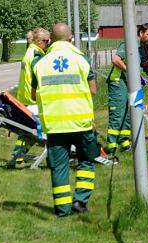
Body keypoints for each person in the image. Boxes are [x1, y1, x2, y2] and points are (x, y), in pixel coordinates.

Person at [32, 23, 99, 217]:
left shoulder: (41, 63)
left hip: (55, 125)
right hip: (81, 122)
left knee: (59, 167)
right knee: (86, 161)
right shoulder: (81, 59)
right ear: (70, 38)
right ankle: (80, 200)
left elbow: (34, 94)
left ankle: (62, 209)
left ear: (51, 40)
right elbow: (93, 90)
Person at [104, 24, 148, 156]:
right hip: (118, 83)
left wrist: (137, 76)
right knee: (118, 115)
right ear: (141, 33)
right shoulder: (129, 44)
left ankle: (124, 142)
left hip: (129, 84)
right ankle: (111, 147)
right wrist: (131, 72)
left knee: (128, 114)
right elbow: (116, 60)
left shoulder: (138, 47)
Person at [6, 27, 50, 168]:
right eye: (46, 41)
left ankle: (18, 155)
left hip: (24, 98)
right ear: (38, 41)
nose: (48, 44)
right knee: (34, 131)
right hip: (33, 100)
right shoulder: (36, 55)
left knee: (26, 132)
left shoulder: (29, 52)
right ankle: (19, 155)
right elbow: (39, 77)